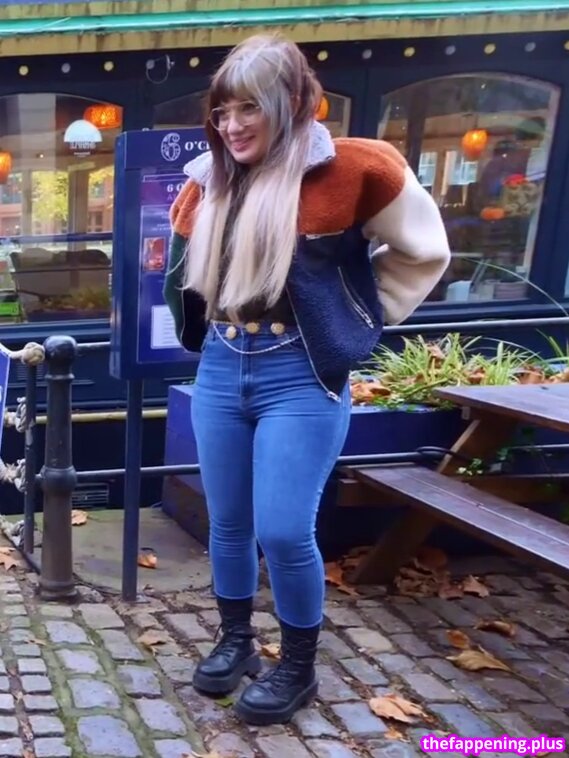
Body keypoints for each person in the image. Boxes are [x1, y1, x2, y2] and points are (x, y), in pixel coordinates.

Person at [163, 33, 451, 726]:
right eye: (222, 110)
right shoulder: (207, 179)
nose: (231, 125)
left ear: (291, 103)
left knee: (286, 529)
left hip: (300, 372)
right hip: (222, 363)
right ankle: (236, 640)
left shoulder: (354, 169)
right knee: (228, 522)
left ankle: (297, 666)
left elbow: (424, 251)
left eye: (248, 109)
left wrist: (354, 320)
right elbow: (181, 273)